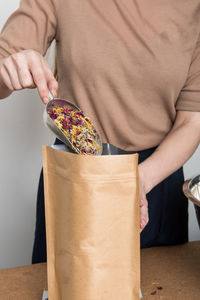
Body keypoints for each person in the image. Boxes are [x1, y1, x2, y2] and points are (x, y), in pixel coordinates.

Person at [0, 0, 200, 263]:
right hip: (77, 172)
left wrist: (140, 180)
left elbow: (192, 121)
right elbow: (4, 69)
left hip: (156, 179)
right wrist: (8, 70)